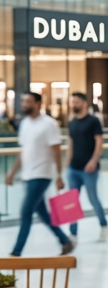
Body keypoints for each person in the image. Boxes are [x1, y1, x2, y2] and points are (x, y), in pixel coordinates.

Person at [5, 92, 74, 256]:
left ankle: (16, 252)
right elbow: (24, 151)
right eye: (23, 101)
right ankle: (65, 241)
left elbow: (56, 151)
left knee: (26, 212)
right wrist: (12, 172)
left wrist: (59, 174)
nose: (24, 104)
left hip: (42, 174)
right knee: (42, 212)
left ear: (38, 104)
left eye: (28, 101)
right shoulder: (24, 124)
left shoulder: (49, 124)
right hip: (28, 175)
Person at [65, 92, 108, 243]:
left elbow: (99, 142)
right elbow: (70, 144)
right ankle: (73, 233)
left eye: (76, 102)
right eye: (72, 102)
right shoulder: (72, 123)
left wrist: (94, 161)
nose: (73, 105)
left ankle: (104, 225)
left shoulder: (93, 121)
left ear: (84, 103)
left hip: (89, 169)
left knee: (93, 198)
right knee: (72, 201)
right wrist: (67, 165)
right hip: (74, 168)